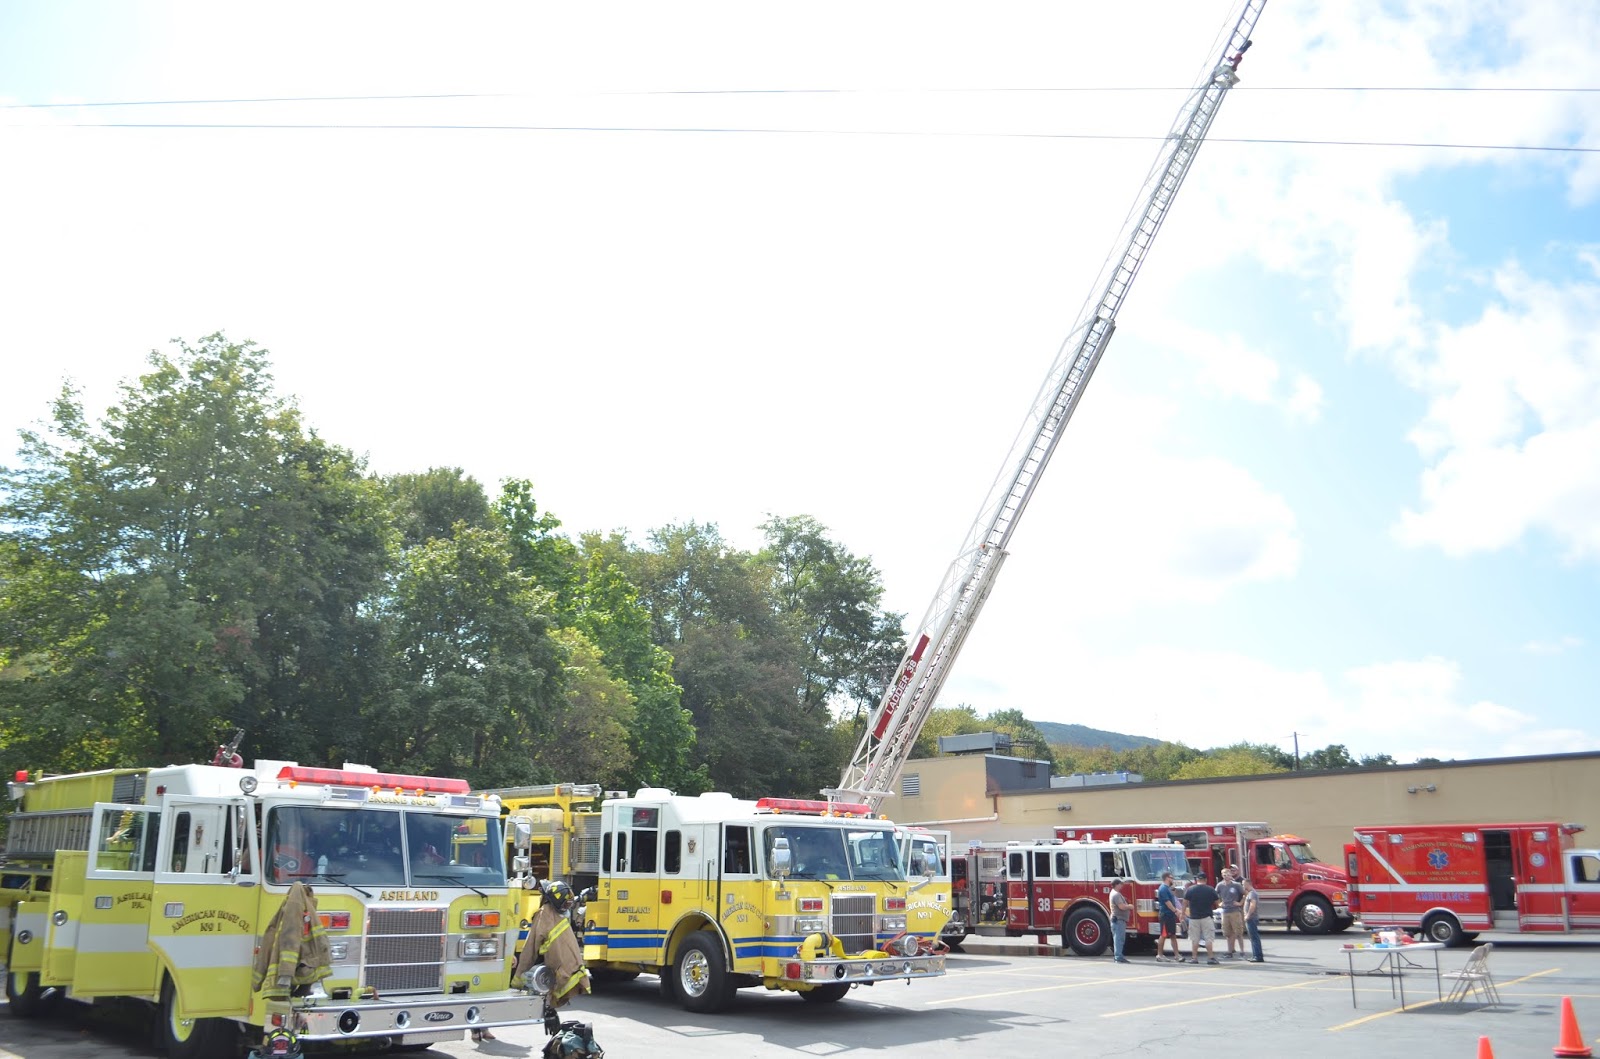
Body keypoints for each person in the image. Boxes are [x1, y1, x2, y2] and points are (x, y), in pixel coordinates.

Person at [1184, 874, 1220, 965]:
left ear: (1197, 880)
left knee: (1194, 939)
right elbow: (1218, 903)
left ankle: (1194, 958)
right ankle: (1210, 958)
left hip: (1194, 917)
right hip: (1206, 917)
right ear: (1206, 879)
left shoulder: (1190, 889)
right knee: (1208, 938)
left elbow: (1184, 903)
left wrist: (1182, 914)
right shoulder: (1210, 889)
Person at [1155, 872, 1183, 963]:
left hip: (1170, 915)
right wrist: (1176, 911)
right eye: (1172, 877)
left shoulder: (1168, 888)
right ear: (1167, 878)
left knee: (1173, 935)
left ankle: (1177, 955)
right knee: (1163, 935)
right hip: (1165, 915)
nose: (1173, 879)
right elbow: (1167, 902)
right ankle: (1159, 955)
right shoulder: (1163, 889)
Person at [1217, 867, 1245, 959]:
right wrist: (1219, 903)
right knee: (1227, 933)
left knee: (1238, 932)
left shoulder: (1236, 885)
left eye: (1228, 875)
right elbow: (1215, 895)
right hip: (1225, 911)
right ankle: (1230, 951)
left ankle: (1242, 951)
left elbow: (1245, 894)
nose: (1226, 877)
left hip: (1235, 911)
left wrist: (1240, 903)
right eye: (1224, 875)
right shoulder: (1220, 885)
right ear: (1222, 875)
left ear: (1231, 875)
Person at [1107, 879, 1132, 963]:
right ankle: (1118, 957)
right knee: (1119, 939)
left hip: (1117, 919)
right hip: (1118, 920)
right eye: (1120, 884)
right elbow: (1121, 907)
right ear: (1116, 885)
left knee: (1118, 938)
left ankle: (1118, 956)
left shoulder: (1113, 893)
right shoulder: (1116, 895)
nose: (1122, 886)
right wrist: (1129, 906)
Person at [1242, 878, 1264, 962]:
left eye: (1243, 884)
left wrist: (1247, 915)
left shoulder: (1252, 894)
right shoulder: (1250, 893)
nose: (1242, 886)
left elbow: (1252, 905)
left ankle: (1257, 956)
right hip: (1251, 918)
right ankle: (1256, 955)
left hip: (1251, 918)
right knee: (1253, 937)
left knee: (1254, 938)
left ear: (1248, 884)